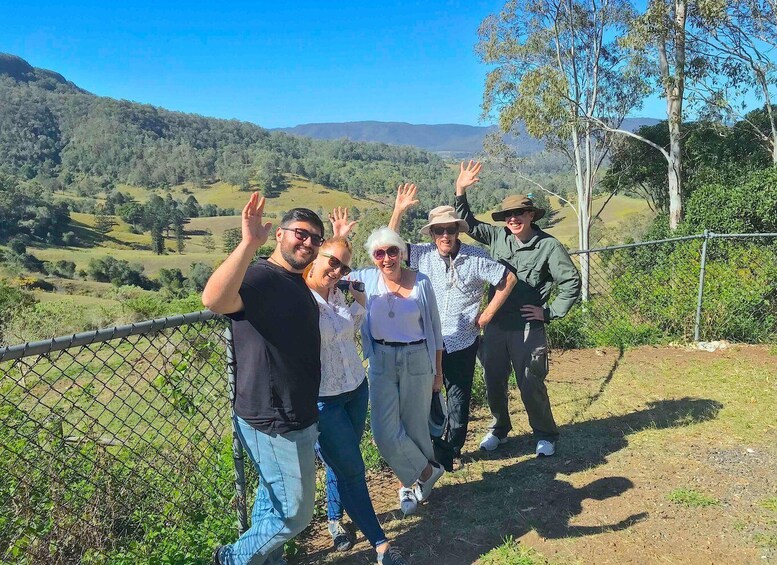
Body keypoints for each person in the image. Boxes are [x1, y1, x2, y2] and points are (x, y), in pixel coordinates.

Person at [202, 192, 324, 565]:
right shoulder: (259, 276)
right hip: (270, 415)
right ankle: (233, 558)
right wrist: (247, 244)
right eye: (300, 233)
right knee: (295, 513)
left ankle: (263, 561)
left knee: (274, 498)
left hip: (297, 410)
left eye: (315, 238)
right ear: (280, 235)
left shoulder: (296, 281)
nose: (307, 243)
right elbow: (213, 299)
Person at [453, 161, 581, 457]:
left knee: (530, 382)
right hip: (496, 326)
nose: (513, 219)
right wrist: (460, 190)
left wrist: (548, 312)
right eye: (508, 215)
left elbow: (571, 281)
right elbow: (467, 223)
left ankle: (545, 434)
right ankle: (500, 429)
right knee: (493, 381)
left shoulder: (549, 247)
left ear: (531, 215)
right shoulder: (499, 237)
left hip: (528, 328)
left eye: (519, 213)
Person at [304, 208, 407, 565]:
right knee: (352, 466)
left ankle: (335, 519)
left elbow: (345, 332)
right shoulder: (300, 298)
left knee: (342, 461)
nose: (337, 271)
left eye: (343, 267)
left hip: (354, 388)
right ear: (314, 256)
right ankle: (380, 544)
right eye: (331, 262)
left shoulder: (336, 294)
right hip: (323, 399)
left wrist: (360, 305)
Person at [388, 183, 517, 464]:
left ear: (458, 230)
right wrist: (398, 210)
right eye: (439, 230)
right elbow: (389, 245)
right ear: (432, 233)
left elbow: (508, 278)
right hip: (426, 340)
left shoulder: (476, 258)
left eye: (450, 229)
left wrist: (487, 314)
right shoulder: (422, 255)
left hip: (462, 340)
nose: (445, 235)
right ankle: (429, 448)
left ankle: (452, 450)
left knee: (458, 398)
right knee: (424, 397)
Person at [349, 226, 445, 516]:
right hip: (380, 358)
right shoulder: (364, 279)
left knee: (415, 425)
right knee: (383, 431)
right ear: (373, 257)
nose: (387, 258)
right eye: (380, 253)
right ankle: (428, 472)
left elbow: (435, 330)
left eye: (393, 251)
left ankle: (412, 485)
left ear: (402, 253)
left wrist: (438, 371)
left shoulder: (422, 282)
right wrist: (339, 235)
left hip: (418, 356)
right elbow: (329, 269)